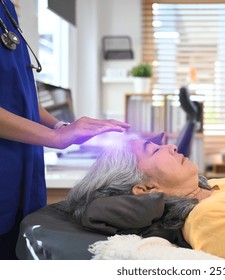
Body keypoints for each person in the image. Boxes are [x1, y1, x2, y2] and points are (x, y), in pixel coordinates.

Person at [0, 0, 130, 259]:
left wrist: (60, 126)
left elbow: (21, 94)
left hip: (22, 170)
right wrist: (55, 137)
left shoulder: (7, 10)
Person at [64, 133, 225, 260]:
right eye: (154, 151)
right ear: (145, 189)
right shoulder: (209, 220)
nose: (172, 146)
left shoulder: (213, 188)